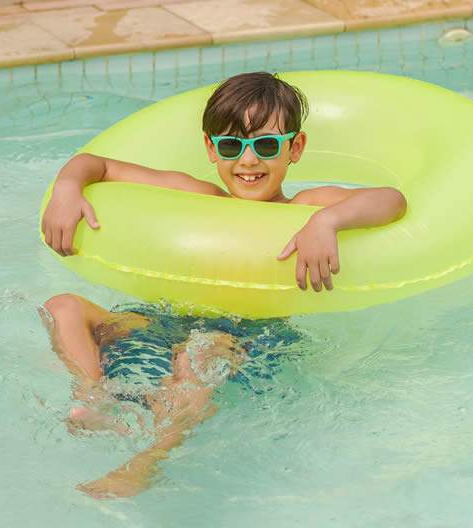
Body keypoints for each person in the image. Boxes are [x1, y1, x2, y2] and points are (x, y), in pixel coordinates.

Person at [39, 71, 407, 499]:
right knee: (62, 307)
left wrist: (328, 221)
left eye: (266, 146)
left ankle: (147, 461)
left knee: (200, 354)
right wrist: (68, 186)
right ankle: (93, 399)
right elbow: (98, 165)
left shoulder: (303, 208)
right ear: (212, 149)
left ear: (296, 148)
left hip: (248, 332)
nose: (248, 161)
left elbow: (392, 200)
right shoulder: (201, 196)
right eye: (232, 146)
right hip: (169, 319)